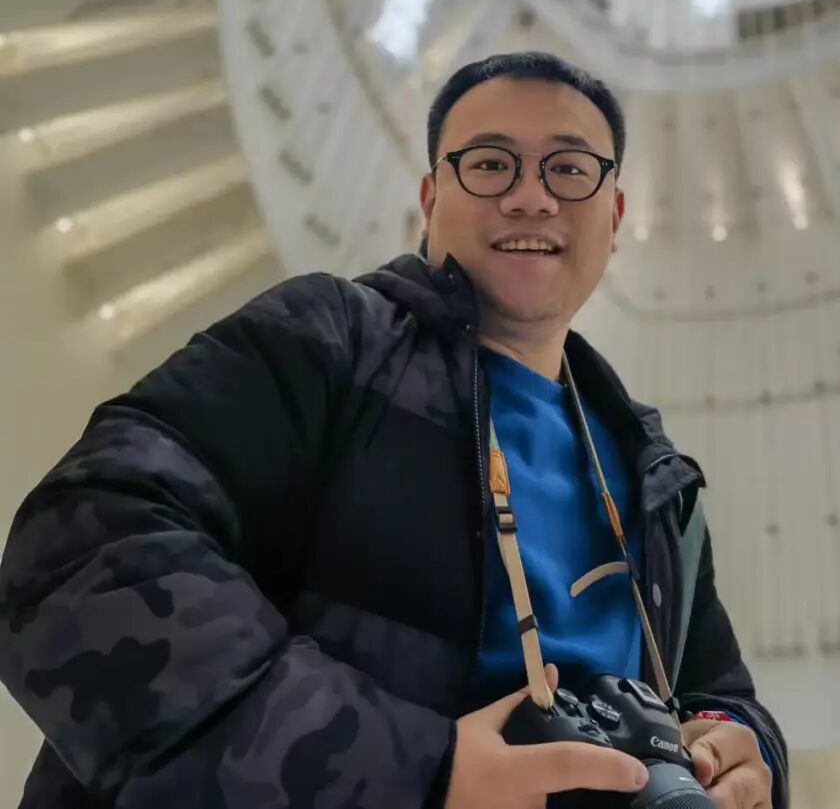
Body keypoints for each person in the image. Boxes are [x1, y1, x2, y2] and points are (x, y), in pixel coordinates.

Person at [0, 51, 787, 809]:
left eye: (570, 168)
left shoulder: (655, 477)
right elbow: (84, 546)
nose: (531, 197)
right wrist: (412, 773)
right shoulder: (335, 341)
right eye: (490, 163)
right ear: (430, 199)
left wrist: (742, 749)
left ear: (613, 215)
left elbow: (721, 696)